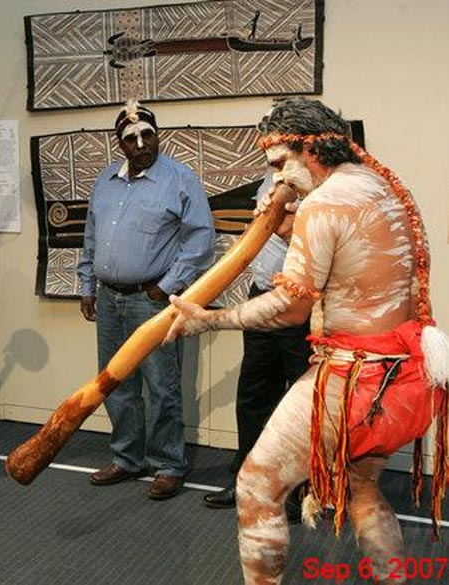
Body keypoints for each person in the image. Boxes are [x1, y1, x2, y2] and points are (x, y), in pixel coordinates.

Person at [164, 98, 449, 583]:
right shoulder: (385, 187)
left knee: (255, 486)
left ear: (307, 149)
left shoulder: (323, 202)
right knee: (362, 492)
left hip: (351, 382)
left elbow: (288, 308)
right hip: (403, 377)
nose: (277, 182)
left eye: (280, 165)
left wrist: (209, 319)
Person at [77, 99, 215, 500]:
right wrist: (88, 285)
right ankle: (127, 458)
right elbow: (90, 236)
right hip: (109, 300)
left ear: (158, 135)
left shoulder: (180, 179)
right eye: (131, 138)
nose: (141, 143)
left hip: (151, 301)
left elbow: (201, 239)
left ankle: (168, 464)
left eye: (147, 134)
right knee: (115, 381)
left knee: (161, 385)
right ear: (120, 145)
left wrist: (170, 283)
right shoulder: (105, 181)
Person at [203, 168, 312, 523]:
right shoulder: (270, 177)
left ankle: (300, 494)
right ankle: (247, 483)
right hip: (261, 294)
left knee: (299, 403)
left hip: (299, 302)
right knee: (253, 394)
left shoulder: (322, 180)